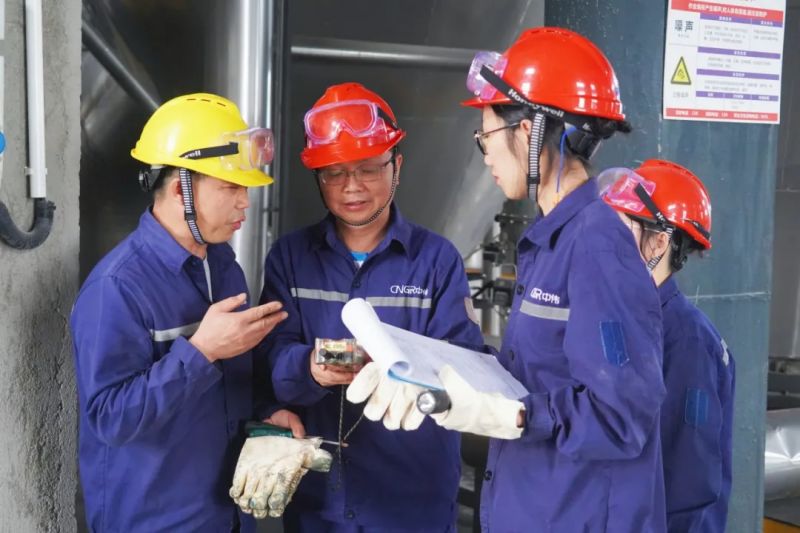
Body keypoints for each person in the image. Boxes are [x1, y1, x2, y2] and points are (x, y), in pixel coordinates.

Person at [353, 28, 669, 532]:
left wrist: (517, 415)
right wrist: (435, 375)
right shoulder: (552, 239)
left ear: (528, 131)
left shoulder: (597, 243)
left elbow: (622, 415)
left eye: (486, 137)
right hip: (536, 508)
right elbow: (539, 374)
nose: (485, 156)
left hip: (577, 516)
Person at [247, 82, 484, 532]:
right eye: (334, 173)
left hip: (411, 503)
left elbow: (466, 364)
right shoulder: (291, 258)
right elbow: (268, 359)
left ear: (397, 166)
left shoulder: (436, 261)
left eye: (369, 169)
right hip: (318, 502)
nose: (351, 187)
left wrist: (403, 370)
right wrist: (310, 366)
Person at [71, 93, 303, 532]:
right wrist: (200, 351)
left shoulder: (224, 266)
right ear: (182, 188)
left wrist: (268, 410)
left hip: (226, 516)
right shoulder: (116, 287)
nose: (245, 203)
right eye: (231, 187)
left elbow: (230, 383)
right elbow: (109, 418)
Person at [600, 159, 735, 532]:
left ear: (660, 241)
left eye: (622, 227)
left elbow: (688, 478)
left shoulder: (688, 339)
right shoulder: (630, 320)